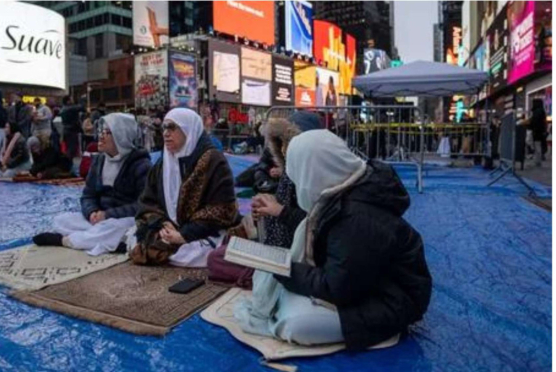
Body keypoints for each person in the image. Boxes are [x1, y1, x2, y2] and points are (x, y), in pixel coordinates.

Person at [234, 130, 432, 350]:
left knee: (293, 324)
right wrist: (282, 217)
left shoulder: (359, 217)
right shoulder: (347, 190)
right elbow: (323, 228)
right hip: (365, 285)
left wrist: (283, 269)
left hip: (391, 301)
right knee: (280, 291)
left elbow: (338, 287)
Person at [209, 112, 322, 288]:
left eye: (289, 142)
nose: (285, 148)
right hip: (273, 244)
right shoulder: (289, 172)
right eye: (282, 142)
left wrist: (278, 210)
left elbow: (318, 228)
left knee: (216, 258)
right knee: (225, 244)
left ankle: (267, 278)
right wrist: (263, 211)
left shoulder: (316, 176)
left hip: (296, 257)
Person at [130, 108, 239, 267]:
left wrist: (185, 234)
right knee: (137, 238)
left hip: (204, 231)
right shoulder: (162, 164)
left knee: (198, 253)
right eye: (164, 128)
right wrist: (161, 223)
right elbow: (147, 202)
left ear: (188, 130)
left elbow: (223, 210)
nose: (166, 133)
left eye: (172, 127)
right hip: (170, 229)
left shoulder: (213, 161)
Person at [33, 113, 152, 253]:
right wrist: (92, 212)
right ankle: (109, 241)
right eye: (101, 131)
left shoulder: (141, 165)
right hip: (99, 220)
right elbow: (88, 195)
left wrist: (108, 215)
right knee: (62, 220)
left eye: (107, 132)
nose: (100, 136)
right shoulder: (99, 161)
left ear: (121, 136)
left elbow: (143, 205)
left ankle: (66, 241)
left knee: (116, 228)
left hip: (122, 219)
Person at [519, 99, 547, 166]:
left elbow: (533, 121)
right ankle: (537, 160)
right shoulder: (542, 112)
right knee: (537, 146)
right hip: (539, 132)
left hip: (536, 132)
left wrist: (528, 124)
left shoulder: (536, 112)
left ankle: (537, 161)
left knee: (535, 146)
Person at [60, 95, 84, 160]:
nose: (72, 101)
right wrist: (81, 99)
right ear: (68, 101)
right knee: (72, 148)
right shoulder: (70, 108)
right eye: (71, 99)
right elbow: (81, 107)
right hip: (72, 130)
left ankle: (68, 163)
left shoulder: (63, 109)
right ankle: (69, 164)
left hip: (66, 130)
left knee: (69, 148)